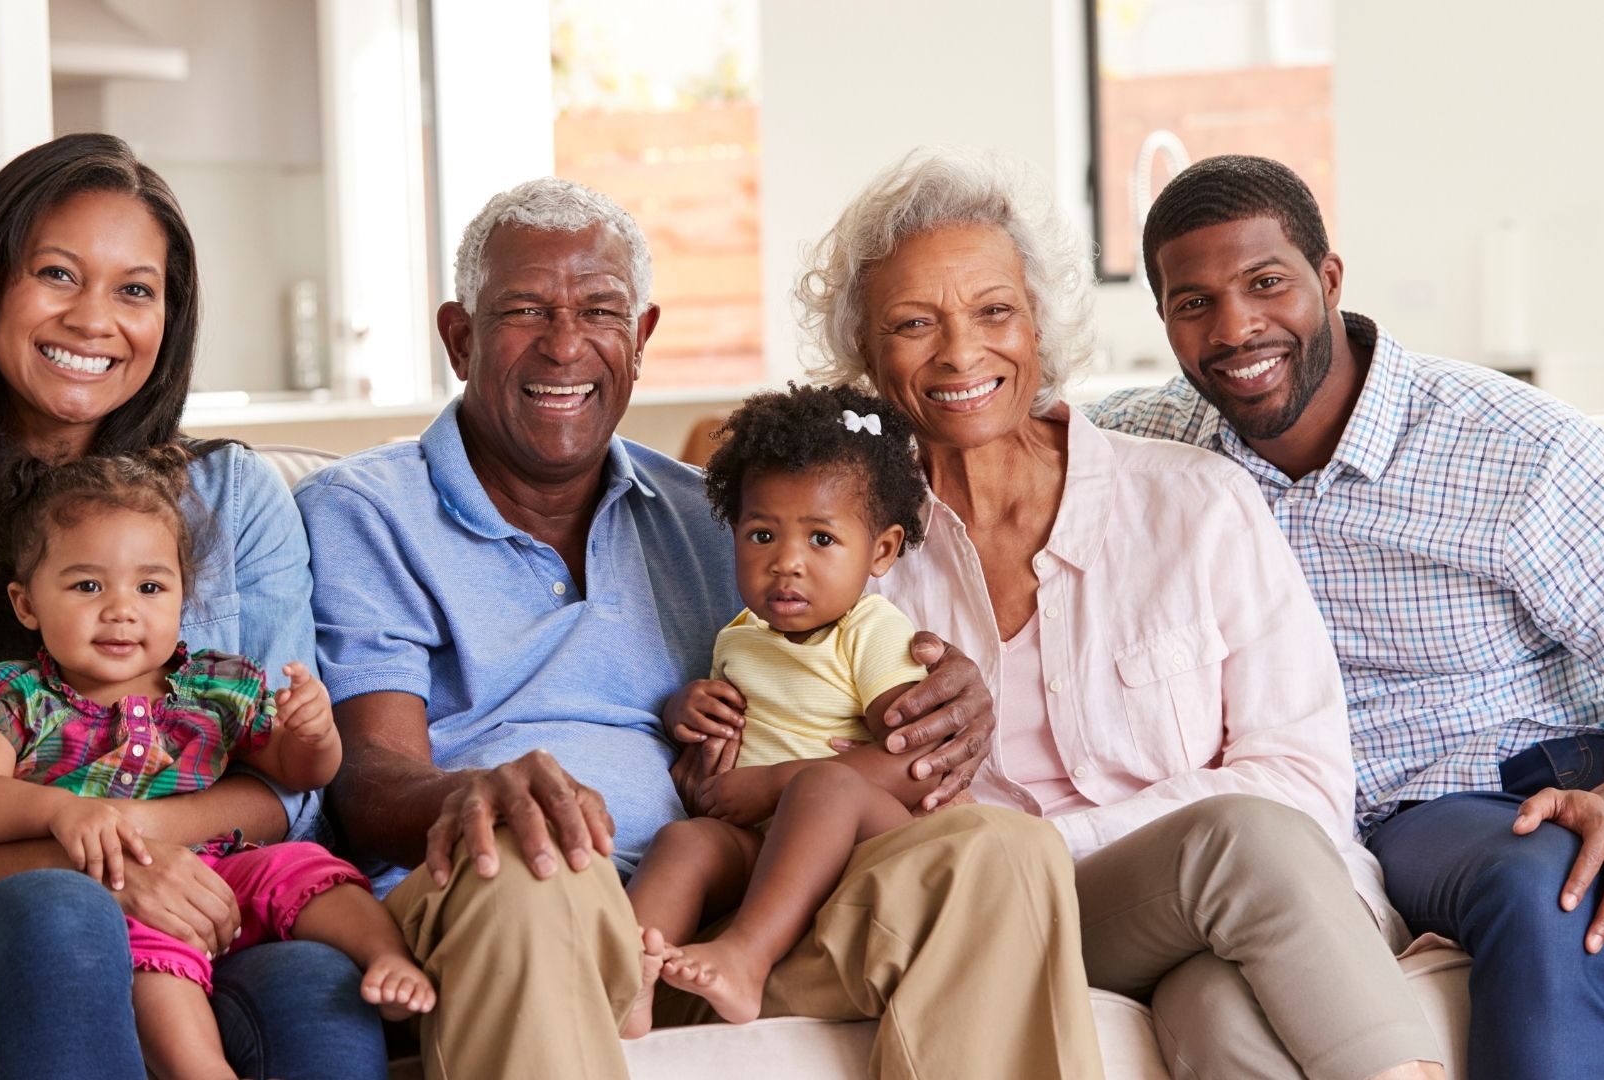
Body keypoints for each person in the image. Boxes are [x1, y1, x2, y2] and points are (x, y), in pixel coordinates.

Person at [298, 176, 1104, 1079]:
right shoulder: (367, 512)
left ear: (640, 340)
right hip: (514, 901)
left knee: (1003, 851)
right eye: (525, 310)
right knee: (532, 859)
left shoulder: (712, 517)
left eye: (600, 311)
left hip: (711, 920)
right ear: (460, 336)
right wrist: (475, 793)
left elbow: (811, 678)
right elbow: (367, 777)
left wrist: (946, 704)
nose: (566, 345)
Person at [787, 147, 1443, 1080]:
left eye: (993, 311)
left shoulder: (1196, 503)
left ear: (1041, 326)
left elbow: (1301, 778)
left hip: (1227, 904)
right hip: (1021, 915)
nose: (961, 353)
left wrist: (1059, 843)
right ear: (864, 351)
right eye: (912, 324)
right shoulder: (848, 565)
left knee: (1218, 1007)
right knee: (1236, 842)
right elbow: (817, 791)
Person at [0, 132, 386, 1079]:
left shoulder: (234, 505)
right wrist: (87, 862)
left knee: (311, 981)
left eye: (135, 289)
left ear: (168, 318)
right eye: (58, 274)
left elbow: (289, 796)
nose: (95, 319)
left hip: (203, 899)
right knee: (66, 915)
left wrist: (133, 844)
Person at [1088, 152, 1604, 1079]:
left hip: (1499, 790)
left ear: (1330, 279)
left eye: (1266, 283)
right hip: (1301, 842)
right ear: (1162, 320)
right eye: (1194, 304)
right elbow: (967, 460)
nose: (1236, 329)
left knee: (1550, 879)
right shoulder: (1146, 449)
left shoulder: (1521, 454)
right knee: (1219, 1003)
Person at [0, 448, 432, 1079]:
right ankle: (198, 1067)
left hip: (225, 868)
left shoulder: (215, 687)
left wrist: (313, 733)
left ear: (181, 599)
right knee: (153, 953)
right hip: (118, 894)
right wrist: (63, 810)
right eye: (87, 585)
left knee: (307, 866)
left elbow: (296, 774)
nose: (121, 609)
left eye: (150, 587)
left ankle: (386, 956)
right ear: (26, 603)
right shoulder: (17, 694)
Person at [623, 383, 932, 1035]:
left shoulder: (871, 630)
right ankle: (625, 976)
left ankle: (745, 957)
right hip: (764, 847)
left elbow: (920, 763)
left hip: (864, 843)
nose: (786, 563)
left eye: (821, 539)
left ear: (880, 549)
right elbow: (727, 738)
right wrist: (689, 711)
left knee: (823, 784)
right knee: (683, 843)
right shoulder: (739, 638)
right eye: (762, 534)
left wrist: (772, 785)